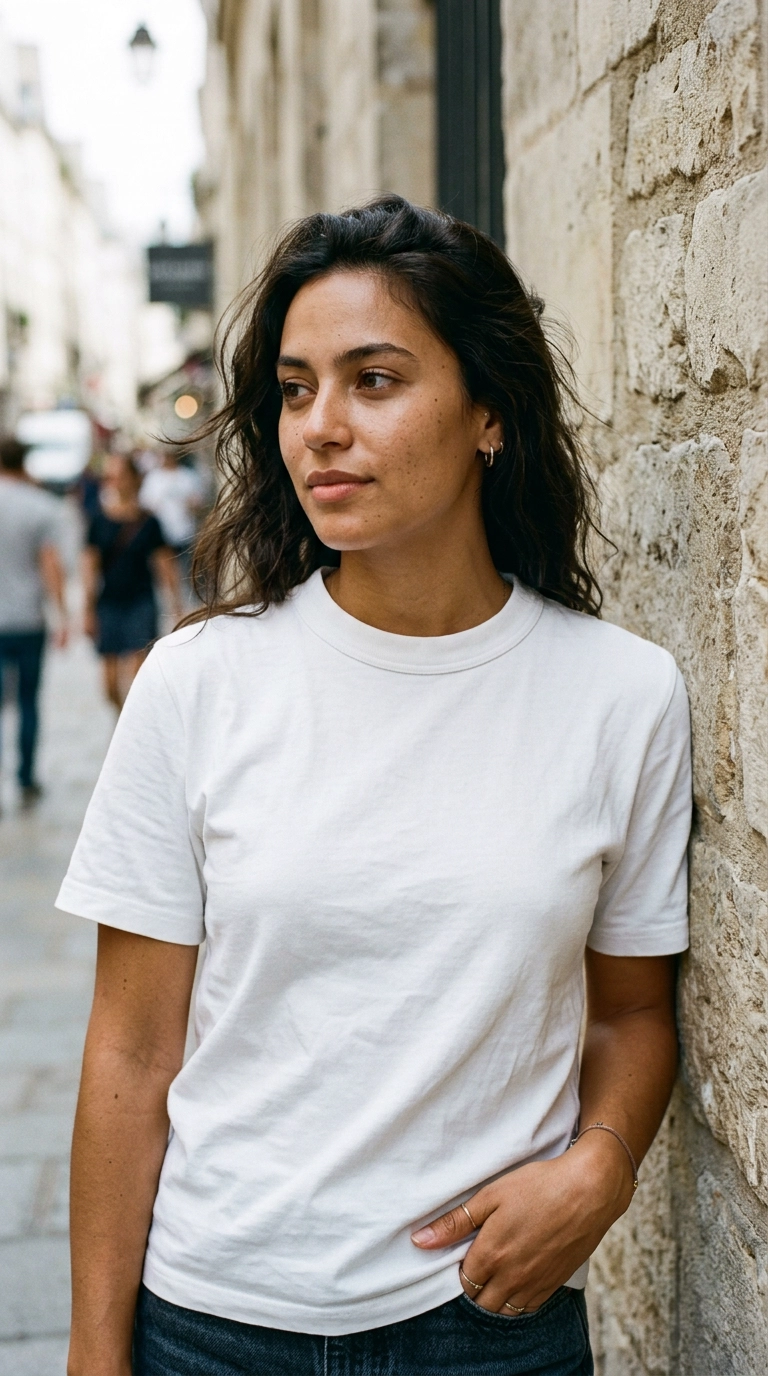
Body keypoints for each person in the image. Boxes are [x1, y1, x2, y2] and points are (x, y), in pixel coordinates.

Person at [58, 198, 691, 1376]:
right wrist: (97, 1354)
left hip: (487, 1323)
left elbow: (632, 1010)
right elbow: (132, 1052)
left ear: (489, 412)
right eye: (297, 389)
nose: (321, 429)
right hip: (214, 1322)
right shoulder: (200, 683)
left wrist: (602, 1162)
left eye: (376, 380)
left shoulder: (621, 695)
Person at [0, 436, 69, 808]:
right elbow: (51, 566)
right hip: (28, 619)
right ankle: (26, 778)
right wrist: (62, 616)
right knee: (28, 701)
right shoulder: (40, 507)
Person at [83, 453, 182, 711]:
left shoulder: (149, 522)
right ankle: (124, 721)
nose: (113, 482)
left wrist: (176, 606)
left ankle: (136, 729)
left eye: (119, 476)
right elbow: (89, 567)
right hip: (110, 603)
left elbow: (165, 565)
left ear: (134, 479)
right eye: (109, 477)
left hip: (141, 601)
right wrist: (88, 609)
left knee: (138, 677)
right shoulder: (99, 520)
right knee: (110, 684)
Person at [139, 449, 205, 597]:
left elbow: (199, 502)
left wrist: (192, 505)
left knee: (187, 569)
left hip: (186, 531)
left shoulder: (187, 476)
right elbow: (145, 504)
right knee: (167, 570)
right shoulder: (154, 478)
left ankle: (190, 597)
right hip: (162, 533)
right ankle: (173, 599)